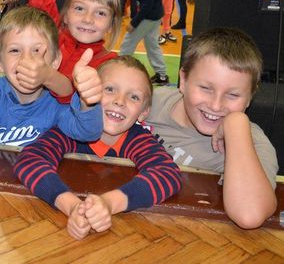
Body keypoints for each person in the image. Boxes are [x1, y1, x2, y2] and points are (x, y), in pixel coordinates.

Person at [14, 56, 182, 239]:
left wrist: (108, 204)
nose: (120, 101)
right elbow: (30, 159)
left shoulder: (138, 139)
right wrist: (71, 206)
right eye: (109, 89)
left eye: (133, 96)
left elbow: (167, 173)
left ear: (144, 112)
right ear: (86, 94)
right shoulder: (71, 131)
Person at [146, 28, 278, 229]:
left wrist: (236, 125)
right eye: (206, 88)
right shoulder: (149, 102)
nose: (216, 106)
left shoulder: (253, 143)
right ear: (183, 80)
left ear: (250, 96)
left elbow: (250, 215)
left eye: (233, 95)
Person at [0, 7, 103, 146]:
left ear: (55, 61)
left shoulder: (58, 105)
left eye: (37, 50)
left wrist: (87, 100)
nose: (26, 59)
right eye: (15, 50)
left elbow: (89, 132)